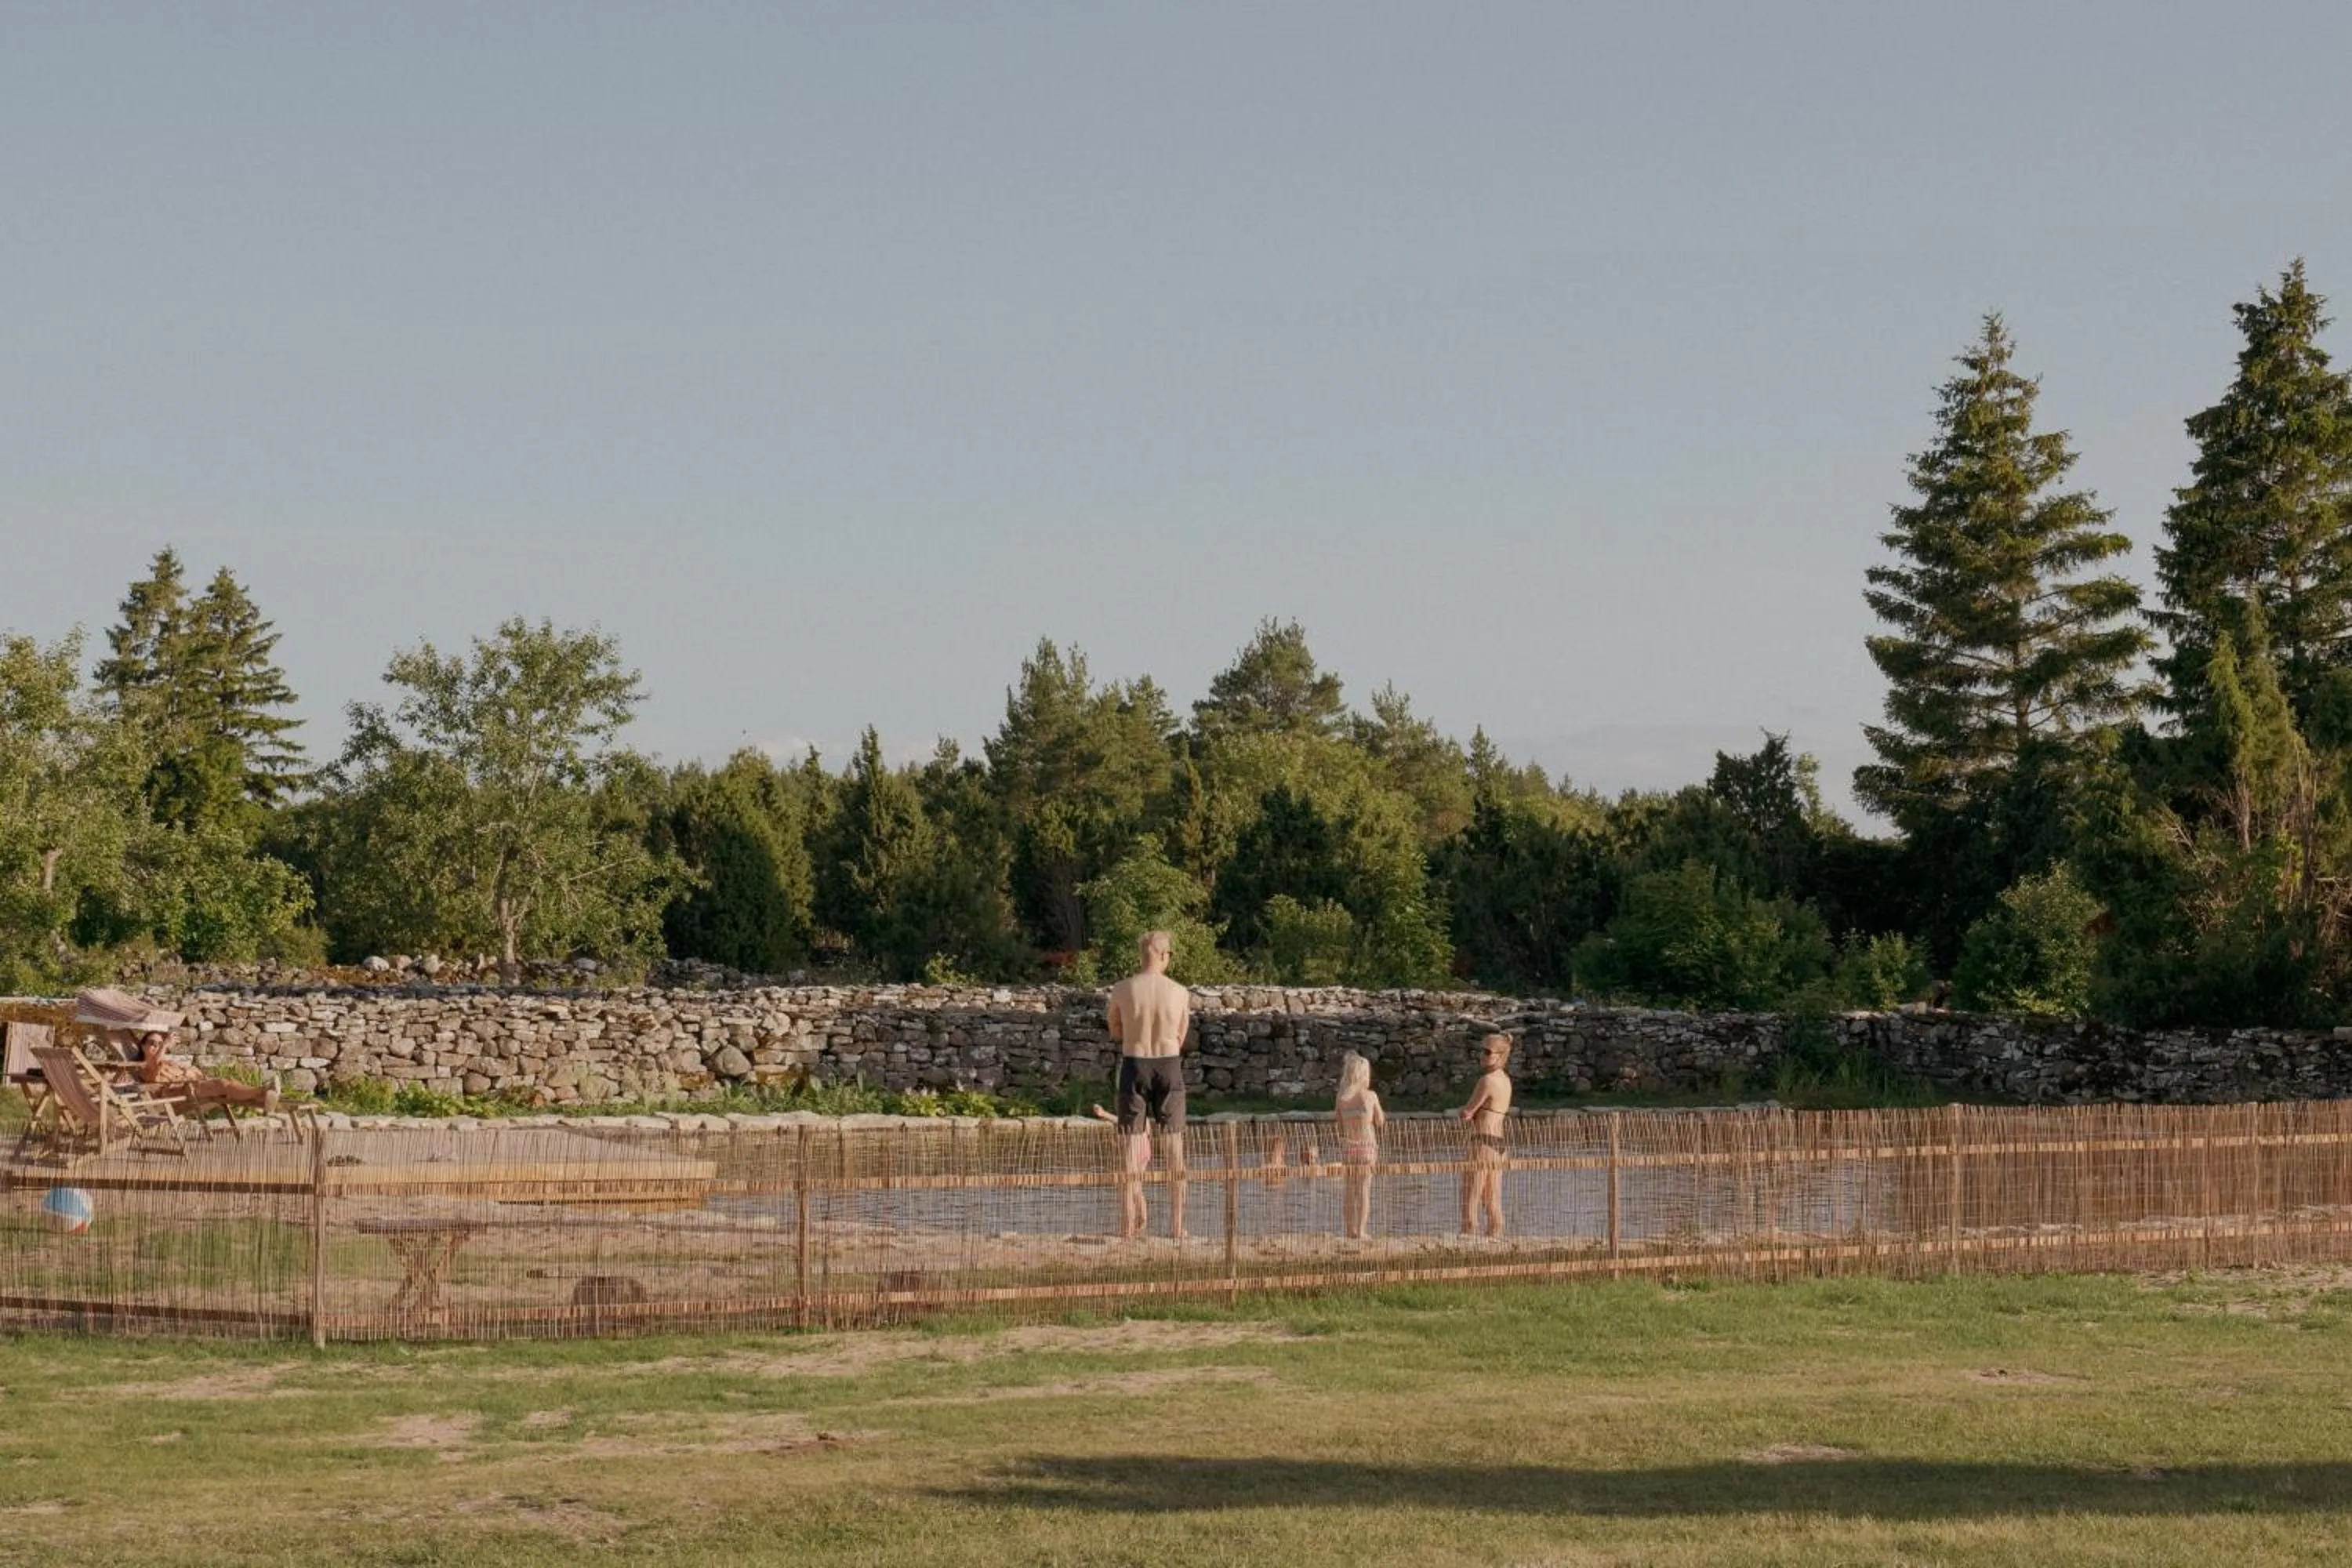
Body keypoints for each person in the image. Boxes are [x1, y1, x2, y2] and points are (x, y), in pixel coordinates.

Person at [1105, 928, 1191, 1239]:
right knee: (1174, 1147)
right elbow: (1181, 1035)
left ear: (1142, 955)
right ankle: (1177, 1226)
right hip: (1168, 1064)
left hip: (1135, 1062)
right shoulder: (1179, 992)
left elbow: (1115, 1030)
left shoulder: (1122, 989)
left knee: (1130, 1148)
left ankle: (1128, 1225)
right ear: (1165, 955)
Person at [129, 1029, 278, 1114]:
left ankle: (263, 1098)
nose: (156, 1046)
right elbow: (154, 1066)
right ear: (143, 1046)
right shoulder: (142, 1066)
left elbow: (189, 1071)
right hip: (180, 1094)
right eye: (152, 1043)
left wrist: (199, 1076)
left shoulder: (169, 1063)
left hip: (195, 1085)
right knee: (223, 1085)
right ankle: (263, 1092)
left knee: (228, 1085)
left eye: (159, 1043)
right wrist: (165, 1045)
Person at [1457, 1033, 1512, 1238]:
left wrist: (1464, 1113)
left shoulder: (1487, 1080)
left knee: (1470, 1194)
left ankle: (1469, 1234)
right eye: (1481, 1050)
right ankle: (1495, 1236)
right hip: (1499, 1142)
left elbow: (1468, 1112)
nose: (1482, 1055)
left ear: (1500, 1056)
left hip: (1482, 1140)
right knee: (1492, 1197)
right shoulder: (1505, 1080)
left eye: (1487, 1052)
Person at [1334, 1051, 1385, 1240]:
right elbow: (1380, 1121)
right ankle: (1362, 1230)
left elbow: (1339, 1124)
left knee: (1349, 1189)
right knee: (1364, 1190)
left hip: (1349, 1146)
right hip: (1367, 1147)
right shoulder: (1370, 1096)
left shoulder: (1342, 1098)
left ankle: (1350, 1230)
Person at [1087, 1104, 1152, 1238]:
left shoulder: (1132, 1116)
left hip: (1136, 1149)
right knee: (1137, 1187)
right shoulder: (1143, 1114)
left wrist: (1104, 1114)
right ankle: (1142, 1221)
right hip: (1145, 1149)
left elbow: (1120, 1122)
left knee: (1127, 1188)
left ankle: (1129, 1227)